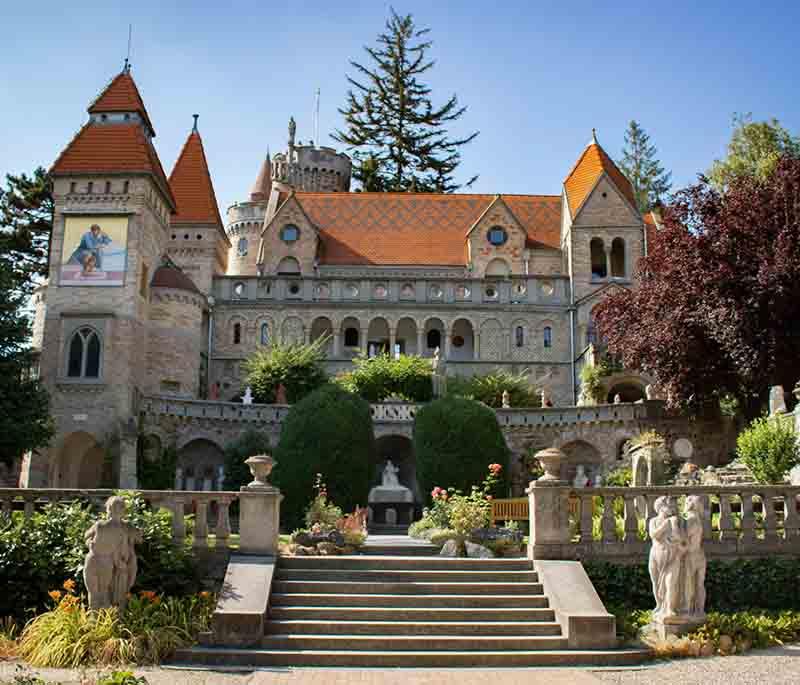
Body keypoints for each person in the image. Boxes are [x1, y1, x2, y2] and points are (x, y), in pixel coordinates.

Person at [83, 496, 142, 610]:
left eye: (119, 508)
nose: (115, 511)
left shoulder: (125, 527)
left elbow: (139, 539)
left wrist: (134, 533)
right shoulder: (100, 525)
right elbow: (86, 537)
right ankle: (98, 620)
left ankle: (100, 620)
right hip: (95, 560)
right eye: (114, 508)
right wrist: (90, 543)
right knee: (96, 592)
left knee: (100, 593)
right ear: (109, 509)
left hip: (106, 562)